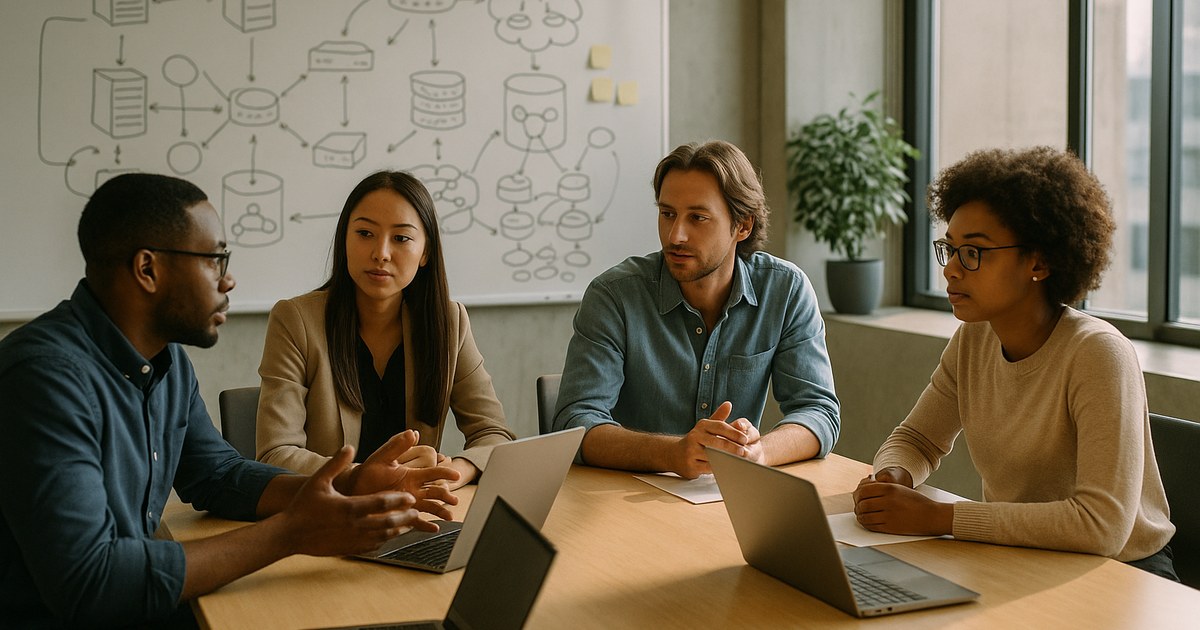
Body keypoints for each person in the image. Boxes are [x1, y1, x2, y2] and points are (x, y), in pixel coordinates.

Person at [0, 173, 461, 626]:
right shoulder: (44, 379)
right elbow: (90, 583)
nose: (228, 280)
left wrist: (350, 484)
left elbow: (217, 475)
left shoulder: (166, 362)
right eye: (214, 260)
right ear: (148, 270)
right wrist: (289, 533)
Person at [852, 146, 1178, 580]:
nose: (951, 270)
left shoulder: (1099, 353)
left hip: (1123, 574)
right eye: (950, 249)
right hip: (1022, 557)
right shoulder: (974, 338)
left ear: (1038, 262)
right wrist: (893, 476)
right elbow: (917, 439)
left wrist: (939, 517)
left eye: (974, 252)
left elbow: (1102, 526)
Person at [551, 140, 840, 478]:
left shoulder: (785, 290)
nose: (676, 236)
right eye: (667, 214)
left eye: (698, 218)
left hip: (728, 497)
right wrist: (671, 454)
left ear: (743, 226)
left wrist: (759, 453)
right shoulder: (613, 296)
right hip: (624, 495)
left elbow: (818, 411)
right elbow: (575, 423)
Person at [256, 171, 514, 490]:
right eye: (365, 233)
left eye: (401, 238)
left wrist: (452, 473)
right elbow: (275, 454)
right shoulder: (296, 320)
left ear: (426, 253)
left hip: (413, 509)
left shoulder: (449, 322)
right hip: (330, 510)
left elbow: (493, 434)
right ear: (344, 240)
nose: (381, 253)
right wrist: (370, 478)